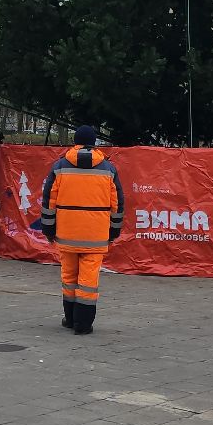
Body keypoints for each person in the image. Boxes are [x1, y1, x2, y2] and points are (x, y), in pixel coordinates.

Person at [38, 125, 124, 335]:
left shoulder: (60, 167)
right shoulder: (108, 169)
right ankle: (83, 324)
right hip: (95, 235)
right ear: (94, 143)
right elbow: (117, 205)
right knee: (88, 280)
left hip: (67, 233)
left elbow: (49, 201)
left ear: (75, 141)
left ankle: (70, 318)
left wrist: (49, 229)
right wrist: (113, 231)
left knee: (69, 276)